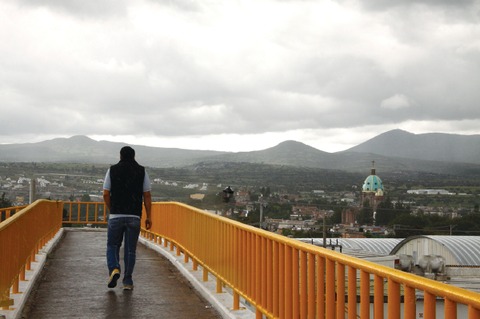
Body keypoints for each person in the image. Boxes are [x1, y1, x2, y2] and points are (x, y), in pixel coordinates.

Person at [103, 146, 152, 290]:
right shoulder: (142, 171)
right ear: (134, 156)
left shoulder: (112, 170)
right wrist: (149, 216)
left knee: (112, 245)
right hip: (134, 216)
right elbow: (147, 196)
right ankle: (128, 281)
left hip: (116, 215)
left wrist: (112, 209)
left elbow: (106, 193)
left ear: (120, 156)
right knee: (130, 249)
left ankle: (114, 269)